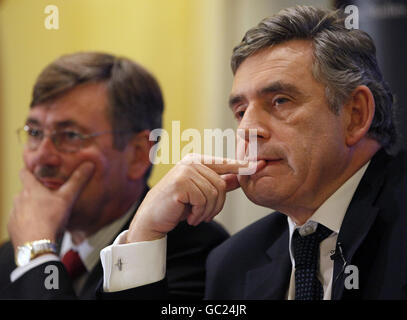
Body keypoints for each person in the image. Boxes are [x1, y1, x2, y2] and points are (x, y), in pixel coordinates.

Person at [102, 6, 407, 300]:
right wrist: (143, 235)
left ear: (355, 114)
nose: (247, 128)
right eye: (240, 110)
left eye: (280, 101)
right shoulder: (234, 262)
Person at [0, 52, 228, 299]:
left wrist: (38, 257)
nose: (41, 158)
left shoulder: (194, 251)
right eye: (34, 132)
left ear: (138, 155)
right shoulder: (12, 256)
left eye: (70, 136)